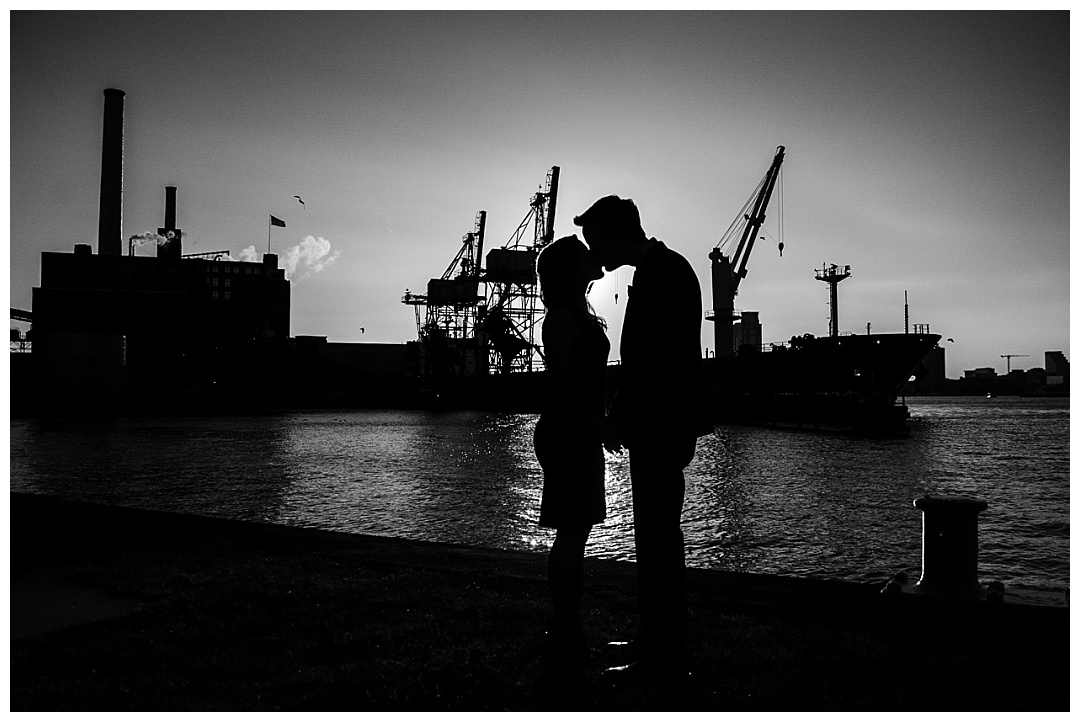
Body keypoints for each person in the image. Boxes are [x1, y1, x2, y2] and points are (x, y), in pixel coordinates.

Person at [573, 195, 713, 683]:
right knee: (658, 536)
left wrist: (620, 415)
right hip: (664, 423)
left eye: (596, 240)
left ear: (616, 233)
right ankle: (661, 642)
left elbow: (649, 363)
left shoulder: (661, 276)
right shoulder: (670, 270)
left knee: (655, 539)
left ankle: (662, 651)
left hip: (659, 425)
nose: (596, 251)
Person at [533, 235, 618, 675]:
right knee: (571, 534)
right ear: (571, 269)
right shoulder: (564, 319)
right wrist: (599, 425)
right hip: (569, 433)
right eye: (585, 253)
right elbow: (561, 387)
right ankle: (567, 633)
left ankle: (568, 630)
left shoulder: (576, 314)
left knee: (575, 533)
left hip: (578, 431)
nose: (594, 255)